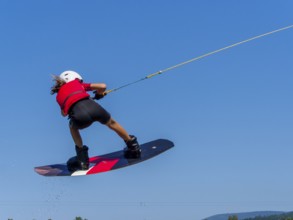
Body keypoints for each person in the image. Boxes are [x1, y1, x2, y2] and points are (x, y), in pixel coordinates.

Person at [50, 70, 141, 171]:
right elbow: (102, 86)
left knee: (72, 126)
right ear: (76, 78)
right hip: (95, 108)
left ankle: (82, 160)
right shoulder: (77, 84)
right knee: (111, 123)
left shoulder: (58, 96)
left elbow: (63, 114)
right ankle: (133, 147)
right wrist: (99, 94)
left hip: (80, 117)